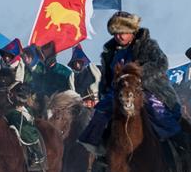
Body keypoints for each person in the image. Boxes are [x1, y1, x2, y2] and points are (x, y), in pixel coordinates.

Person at [77, 12, 185, 155]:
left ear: (132, 31)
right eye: (115, 33)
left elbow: (161, 63)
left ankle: (177, 145)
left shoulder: (147, 45)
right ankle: (99, 151)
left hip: (146, 88)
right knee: (101, 111)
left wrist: (139, 74)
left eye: (122, 32)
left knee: (155, 109)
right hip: (118, 91)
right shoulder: (110, 52)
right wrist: (106, 90)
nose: (118, 36)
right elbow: (106, 77)